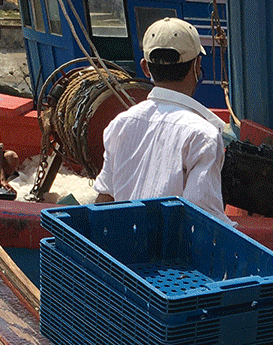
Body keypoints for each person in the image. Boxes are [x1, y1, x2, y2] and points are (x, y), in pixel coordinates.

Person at [93, 17, 225, 216]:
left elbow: (104, 199)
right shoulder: (203, 136)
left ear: (146, 68)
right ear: (197, 66)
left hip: (123, 243)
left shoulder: (120, 124)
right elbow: (202, 217)